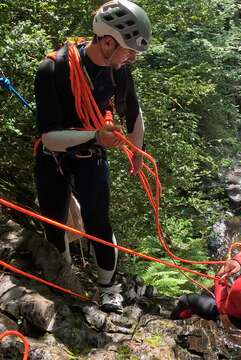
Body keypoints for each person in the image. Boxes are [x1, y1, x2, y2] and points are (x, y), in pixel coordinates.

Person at [33, 0, 152, 313]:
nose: (133, 57)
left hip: (91, 156)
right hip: (53, 155)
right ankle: (65, 280)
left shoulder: (119, 73)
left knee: (98, 221)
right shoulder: (53, 69)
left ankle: (107, 287)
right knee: (54, 222)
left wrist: (138, 153)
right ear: (109, 42)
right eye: (129, 49)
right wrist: (95, 135)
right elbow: (50, 138)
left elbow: (134, 115)